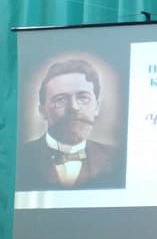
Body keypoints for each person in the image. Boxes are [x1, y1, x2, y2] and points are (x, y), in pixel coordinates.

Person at [17, 58, 126, 191]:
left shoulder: (117, 158)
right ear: (43, 111)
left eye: (83, 97)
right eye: (61, 99)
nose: (73, 107)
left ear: (97, 107)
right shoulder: (20, 158)